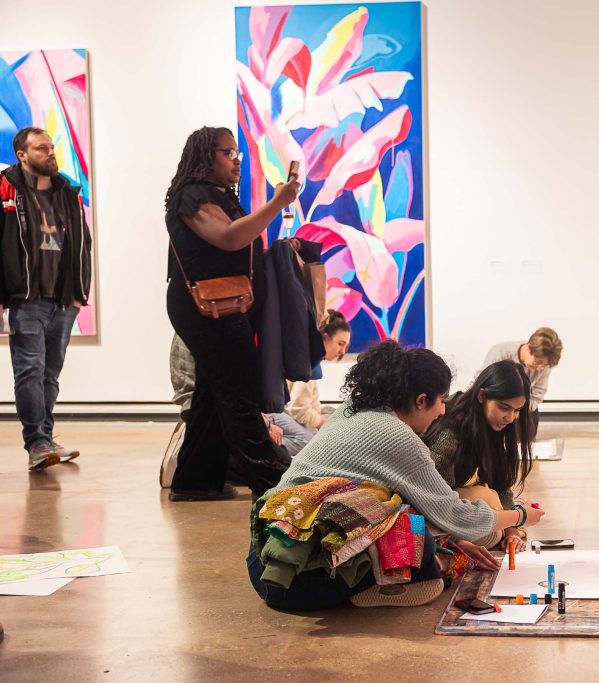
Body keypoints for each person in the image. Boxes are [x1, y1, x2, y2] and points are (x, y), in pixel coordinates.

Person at [246, 340, 545, 610]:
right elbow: (456, 516)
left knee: (410, 515)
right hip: (298, 584)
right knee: (418, 535)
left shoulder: (352, 408)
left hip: (260, 556)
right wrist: (518, 517)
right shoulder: (402, 438)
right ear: (420, 400)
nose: (442, 410)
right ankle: (384, 583)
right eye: (441, 400)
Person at [164, 126, 299, 501]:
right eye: (228, 153)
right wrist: (277, 203)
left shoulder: (219, 195)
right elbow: (230, 238)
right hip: (205, 308)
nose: (237, 159)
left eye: (237, 152)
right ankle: (274, 482)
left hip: (218, 305)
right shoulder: (192, 196)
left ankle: (195, 480)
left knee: (213, 391)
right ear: (206, 157)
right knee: (240, 391)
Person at [0, 127, 93, 470]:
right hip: (26, 297)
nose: (50, 153)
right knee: (29, 370)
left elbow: (84, 240)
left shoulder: (67, 190)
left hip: (63, 298)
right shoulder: (7, 190)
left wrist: (80, 289)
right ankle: (36, 442)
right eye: (41, 148)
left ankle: (47, 438)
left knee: (50, 373)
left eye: (51, 147)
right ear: (22, 155)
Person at [423, 360, 534, 551]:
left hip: (451, 503)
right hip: (429, 510)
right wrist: (455, 542)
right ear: (482, 395)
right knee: (491, 528)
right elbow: (427, 496)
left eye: (517, 410)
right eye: (504, 407)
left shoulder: (491, 423)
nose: (511, 418)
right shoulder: (450, 433)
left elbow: (501, 485)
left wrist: (512, 531)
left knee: (491, 504)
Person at [480, 327, 563, 442]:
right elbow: (480, 381)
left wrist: (518, 409)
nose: (540, 368)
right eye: (538, 362)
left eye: (545, 365)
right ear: (528, 347)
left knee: (526, 436)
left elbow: (537, 394)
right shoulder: (500, 353)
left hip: (523, 407)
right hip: (498, 403)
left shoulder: (544, 365)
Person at [283, 309, 350, 430]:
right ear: (324, 337)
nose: (343, 351)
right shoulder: (309, 364)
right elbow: (299, 409)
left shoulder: (311, 361)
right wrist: (323, 424)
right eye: (340, 343)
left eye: (346, 346)